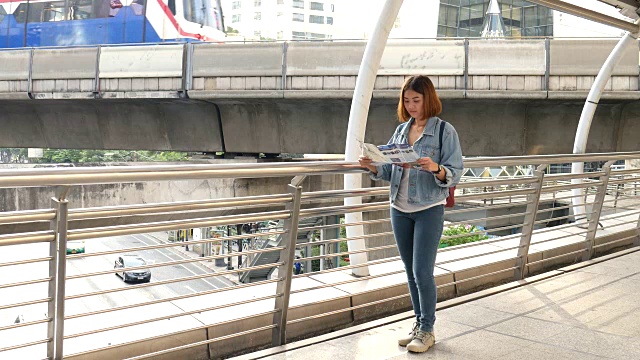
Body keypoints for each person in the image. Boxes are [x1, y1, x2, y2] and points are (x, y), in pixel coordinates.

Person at [359, 75, 463, 353]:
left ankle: (428, 330)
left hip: (428, 209)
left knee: (422, 272)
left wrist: (436, 168)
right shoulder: (401, 131)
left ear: (428, 99)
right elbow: (389, 168)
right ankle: (418, 324)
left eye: (416, 100)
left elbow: (455, 173)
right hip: (399, 208)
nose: (411, 105)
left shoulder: (444, 131)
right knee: (409, 272)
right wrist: (371, 164)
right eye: (407, 101)